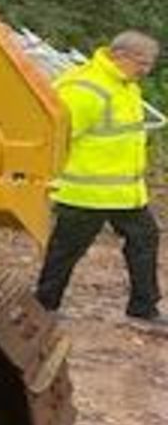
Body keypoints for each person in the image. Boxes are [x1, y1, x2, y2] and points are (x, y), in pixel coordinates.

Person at [35, 30, 162, 326]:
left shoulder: (125, 85)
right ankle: (44, 305)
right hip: (84, 194)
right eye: (142, 62)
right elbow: (55, 139)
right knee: (65, 252)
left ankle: (144, 307)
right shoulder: (84, 89)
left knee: (145, 239)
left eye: (150, 63)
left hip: (125, 194)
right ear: (120, 56)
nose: (146, 70)